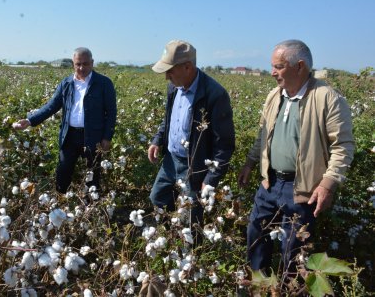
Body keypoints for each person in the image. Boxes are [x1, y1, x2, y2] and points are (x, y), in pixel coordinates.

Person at [238, 40, 355, 274]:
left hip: (301, 188)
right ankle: (260, 285)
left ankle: (289, 289)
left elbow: (343, 146)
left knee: (293, 248)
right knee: (256, 234)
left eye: (279, 66)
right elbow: (263, 135)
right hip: (270, 183)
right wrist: (251, 162)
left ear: (299, 66)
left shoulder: (326, 98)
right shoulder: (275, 96)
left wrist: (327, 184)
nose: (272, 73)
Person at [148, 40, 235, 227]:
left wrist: (211, 179)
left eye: (170, 70)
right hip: (171, 161)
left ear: (187, 67)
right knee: (158, 199)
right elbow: (169, 119)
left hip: (194, 166)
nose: (167, 77)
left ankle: (189, 250)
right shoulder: (174, 87)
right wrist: (157, 140)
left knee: (190, 218)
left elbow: (224, 143)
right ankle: (169, 237)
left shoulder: (214, 94)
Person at [13, 47, 117, 194]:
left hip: (93, 136)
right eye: (78, 64)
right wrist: (30, 121)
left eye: (85, 64)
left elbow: (111, 112)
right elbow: (51, 106)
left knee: (93, 174)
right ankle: (61, 203)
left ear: (92, 63)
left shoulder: (104, 83)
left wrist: (107, 137)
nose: (81, 68)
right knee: (63, 172)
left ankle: (91, 208)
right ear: (73, 64)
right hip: (70, 135)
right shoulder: (67, 83)